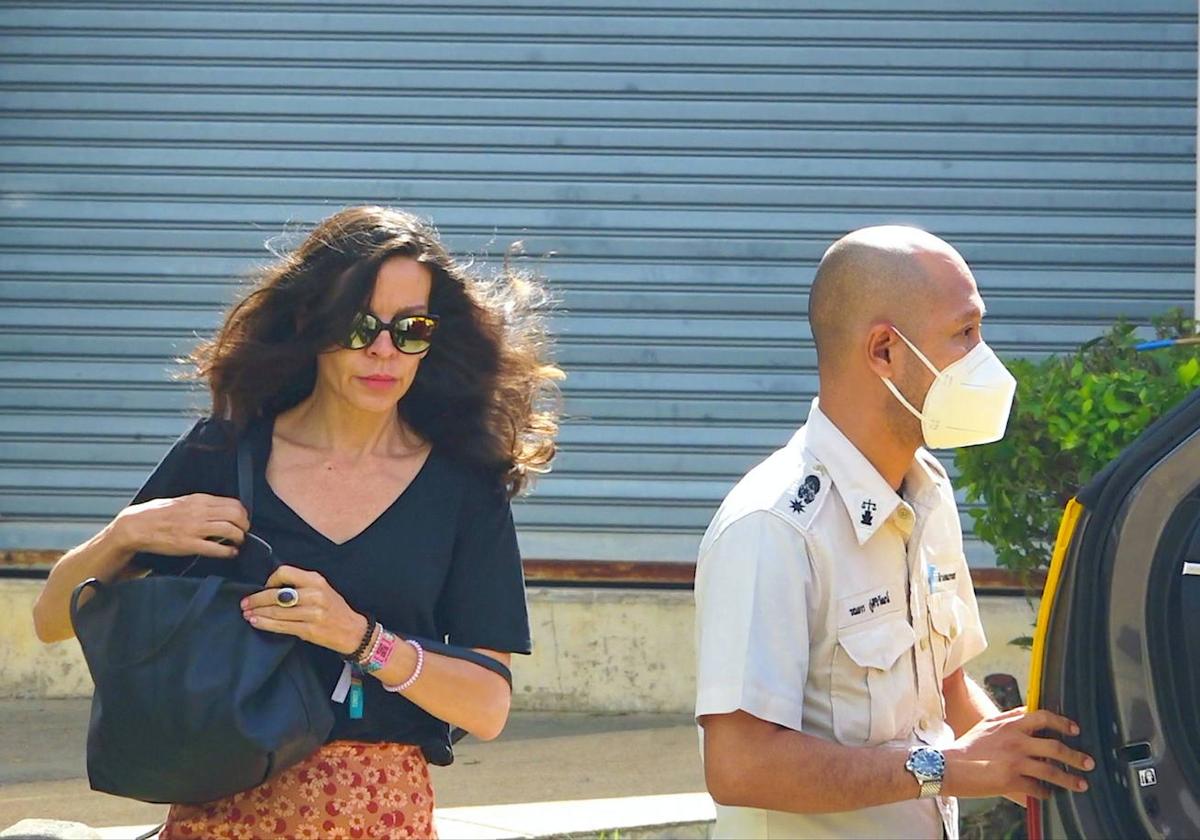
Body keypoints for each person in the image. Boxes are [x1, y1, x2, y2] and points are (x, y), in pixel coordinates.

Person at [32, 206, 563, 838]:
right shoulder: (223, 453)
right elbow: (51, 620)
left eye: (410, 329)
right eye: (359, 326)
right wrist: (125, 536)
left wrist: (363, 639)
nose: (384, 350)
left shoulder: (463, 485)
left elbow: (488, 705)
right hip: (219, 814)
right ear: (311, 321)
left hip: (379, 818)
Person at [693, 226, 1095, 839]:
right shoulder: (773, 527)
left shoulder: (925, 489)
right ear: (885, 350)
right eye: (964, 333)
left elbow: (947, 692)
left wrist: (1031, 767)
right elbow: (741, 766)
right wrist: (945, 769)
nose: (983, 358)